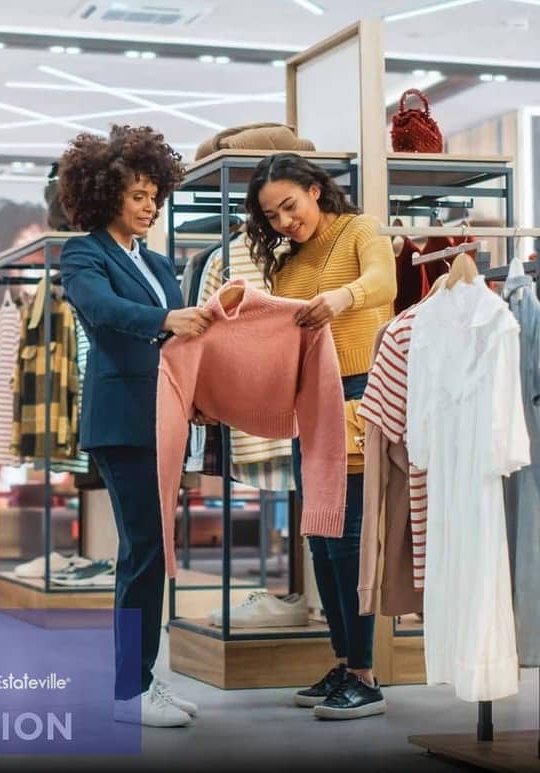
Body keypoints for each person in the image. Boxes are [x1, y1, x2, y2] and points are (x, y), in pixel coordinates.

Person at [58, 125, 213, 728]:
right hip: (123, 422)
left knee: (155, 550)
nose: (149, 208)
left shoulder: (153, 260)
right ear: (105, 195)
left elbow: (180, 343)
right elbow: (102, 310)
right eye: (138, 196)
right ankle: (128, 690)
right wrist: (168, 318)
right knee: (144, 550)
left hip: (166, 417)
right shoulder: (84, 252)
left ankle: (144, 678)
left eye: (154, 196)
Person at [245, 152, 396, 720]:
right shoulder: (286, 263)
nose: (285, 221)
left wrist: (342, 298)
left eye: (290, 205)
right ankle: (344, 659)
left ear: (314, 190)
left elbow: (383, 284)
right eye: (272, 215)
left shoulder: (360, 230)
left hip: (357, 394)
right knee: (320, 535)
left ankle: (366, 674)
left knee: (350, 535)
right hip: (309, 399)